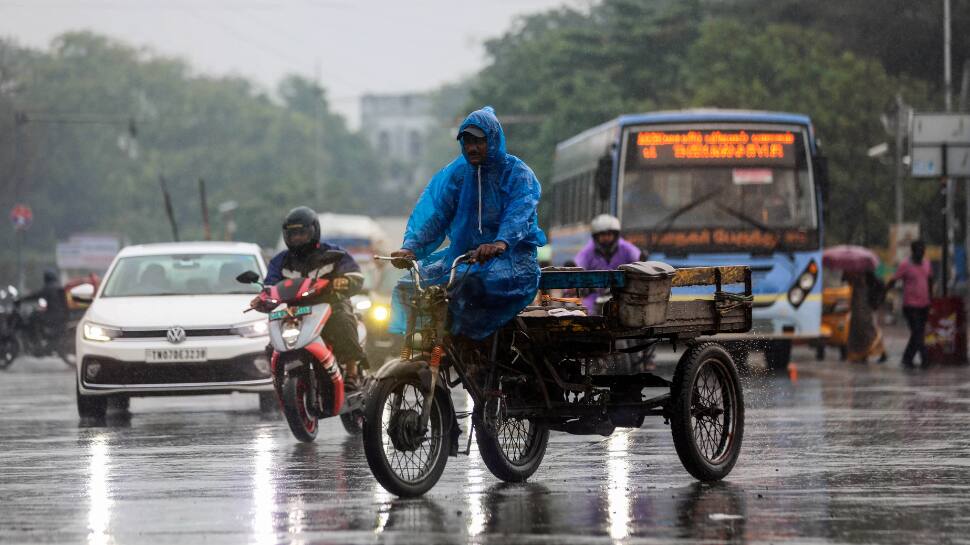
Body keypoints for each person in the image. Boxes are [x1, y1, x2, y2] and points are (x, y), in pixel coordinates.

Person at [389, 106, 546, 340]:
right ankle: (442, 348)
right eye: (466, 141)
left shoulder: (517, 173)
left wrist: (500, 243)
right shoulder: (459, 175)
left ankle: (484, 352)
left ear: (493, 139)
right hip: (464, 258)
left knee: (469, 286)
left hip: (511, 259)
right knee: (410, 285)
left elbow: (519, 213)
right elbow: (439, 217)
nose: (472, 147)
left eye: (478, 141)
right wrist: (410, 248)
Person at [255, 206, 369, 390]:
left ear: (314, 231)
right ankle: (277, 381)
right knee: (272, 344)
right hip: (294, 311)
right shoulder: (280, 261)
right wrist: (262, 299)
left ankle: (352, 371)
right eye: (293, 234)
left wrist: (344, 281)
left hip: (331, 304)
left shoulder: (334, 254)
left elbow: (355, 274)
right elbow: (270, 285)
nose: (297, 237)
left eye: (302, 233)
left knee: (343, 321)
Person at [573, 214, 646, 314]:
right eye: (603, 235)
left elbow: (639, 262)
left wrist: (641, 260)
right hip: (595, 295)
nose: (606, 237)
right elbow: (577, 268)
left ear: (615, 235)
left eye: (609, 234)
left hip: (622, 294)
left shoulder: (627, 248)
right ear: (596, 236)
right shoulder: (587, 251)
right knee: (583, 312)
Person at [888, 240, 933, 367]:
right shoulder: (905, 265)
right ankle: (925, 359)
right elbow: (893, 279)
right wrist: (884, 292)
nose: (922, 253)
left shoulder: (927, 264)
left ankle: (907, 358)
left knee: (917, 333)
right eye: (919, 250)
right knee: (917, 332)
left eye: (923, 250)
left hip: (924, 304)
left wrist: (931, 299)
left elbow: (929, 280)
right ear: (913, 251)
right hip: (910, 305)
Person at [844, 270, 887, 363]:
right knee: (857, 330)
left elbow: (880, 286)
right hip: (856, 305)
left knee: (867, 329)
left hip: (865, 305)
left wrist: (876, 302)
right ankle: (861, 354)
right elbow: (845, 281)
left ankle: (880, 351)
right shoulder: (852, 272)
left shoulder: (868, 276)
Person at [19, 269, 69, 337]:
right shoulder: (60, 288)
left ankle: (35, 337)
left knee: (33, 315)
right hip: (62, 316)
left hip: (51, 315)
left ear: (46, 278)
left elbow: (35, 295)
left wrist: (21, 300)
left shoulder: (48, 288)